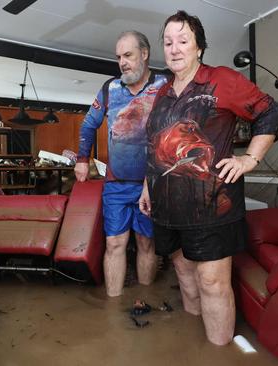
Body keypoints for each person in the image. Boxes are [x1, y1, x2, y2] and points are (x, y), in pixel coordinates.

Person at [139, 11, 278, 345]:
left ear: (199, 47)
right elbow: (153, 144)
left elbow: (269, 112)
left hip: (211, 205)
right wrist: (146, 188)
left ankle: (218, 352)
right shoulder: (161, 94)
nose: (174, 48)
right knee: (184, 274)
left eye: (183, 41)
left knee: (212, 282)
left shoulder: (222, 80)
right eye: (168, 41)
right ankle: (194, 348)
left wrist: (250, 158)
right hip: (166, 206)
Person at [75, 30, 168, 297]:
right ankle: (114, 311)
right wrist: (82, 159)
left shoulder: (165, 86)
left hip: (152, 183)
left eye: (128, 55)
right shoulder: (109, 89)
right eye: (119, 57)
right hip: (116, 184)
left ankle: (144, 301)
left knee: (146, 243)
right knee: (115, 243)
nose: (122, 62)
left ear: (145, 54)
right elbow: (88, 125)